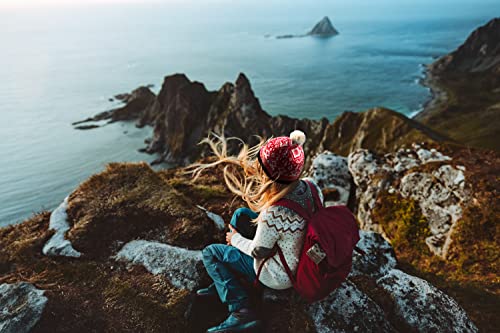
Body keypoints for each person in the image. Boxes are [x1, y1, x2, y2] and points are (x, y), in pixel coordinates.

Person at [188, 130, 324, 333]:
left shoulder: (275, 213)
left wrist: (234, 239)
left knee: (211, 253)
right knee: (241, 215)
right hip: (298, 255)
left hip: (279, 276)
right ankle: (228, 282)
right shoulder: (312, 187)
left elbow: (257, 251)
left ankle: (240, 310)